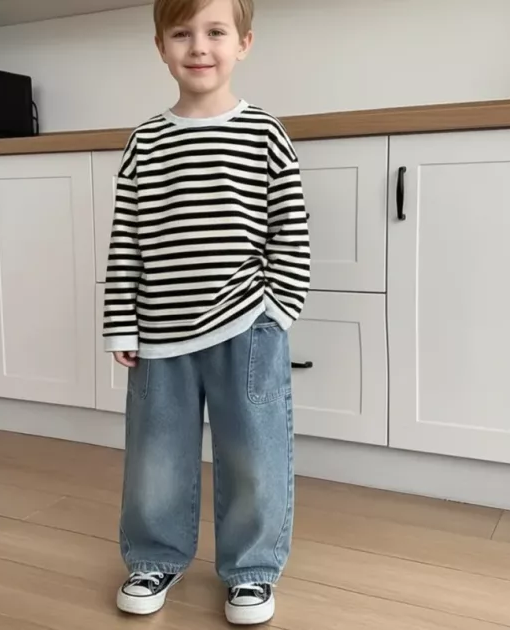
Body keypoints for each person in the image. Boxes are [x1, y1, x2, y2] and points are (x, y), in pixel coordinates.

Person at [102, 0, 310, 624]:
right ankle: (153, 557)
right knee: (156, 456)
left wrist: (278, 309)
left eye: (216, 31)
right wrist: (122, 321)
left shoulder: (264, 133)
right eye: (181, 33)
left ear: (243, 43)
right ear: (160, 46)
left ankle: (251, 569)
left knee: (255, 455)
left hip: (247, 325)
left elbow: (289, 231)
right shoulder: (145, 141)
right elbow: (127, 240)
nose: (198, 46)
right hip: (159, 333)